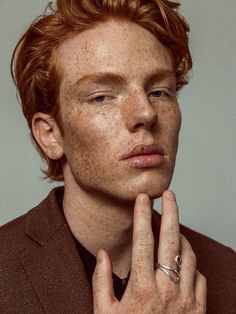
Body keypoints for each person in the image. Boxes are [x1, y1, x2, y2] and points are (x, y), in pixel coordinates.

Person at [0, 0, 235, 313]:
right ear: (50, 135)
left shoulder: (226, 273)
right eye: (102, 96)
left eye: (159, 91)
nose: (146, 113)